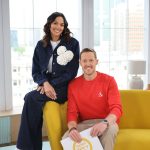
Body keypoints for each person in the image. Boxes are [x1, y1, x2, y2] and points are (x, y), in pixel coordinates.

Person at [16, 12, 80, 150]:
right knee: (30, 99)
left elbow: (72, 72)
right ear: (49, 24)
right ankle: (30, 146)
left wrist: (50, 85)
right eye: (55, 23)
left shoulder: (73, 43)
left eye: (62, 24)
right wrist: (45, 83)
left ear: (65, 27)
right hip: (46, 85)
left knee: (30, 98)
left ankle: (28, 147)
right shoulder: (41, 45)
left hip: (63, 88)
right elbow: (36, 71)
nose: (58, 27)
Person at [62, 48, 123, 150]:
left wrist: (104, 123)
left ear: (96, 61)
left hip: (107, 122)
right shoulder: (73, 85)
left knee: (110, 132)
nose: (88, 64)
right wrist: (72, 129)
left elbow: (117, 108)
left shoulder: (109, 81)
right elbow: (72, 113)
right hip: (85, 124)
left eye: (91, 60)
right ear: (80, 63)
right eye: (84, 61)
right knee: (66, 137)